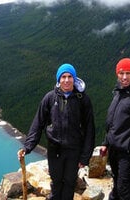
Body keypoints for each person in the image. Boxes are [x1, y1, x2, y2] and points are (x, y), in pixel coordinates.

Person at [17, 63, 95, 200]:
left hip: (73, 150)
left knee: (70, 183)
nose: (66, 80)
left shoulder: (82, 100)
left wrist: (84, 157)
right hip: (55, 150)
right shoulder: (50, 98)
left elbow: (89, 129)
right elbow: (38, 123)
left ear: (74, 79)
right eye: (63, 77)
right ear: (58, 79)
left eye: (69, 76)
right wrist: (28, 147)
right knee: (56, 182)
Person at [100, 57, 130, 200]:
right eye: (121, 73)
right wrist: (105, 143)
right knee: (116, 185)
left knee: (125, 190)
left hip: (128, 153)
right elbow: (112, 123)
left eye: (128, 73)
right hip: (115, 151)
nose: (124, 77)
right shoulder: (118, 93)